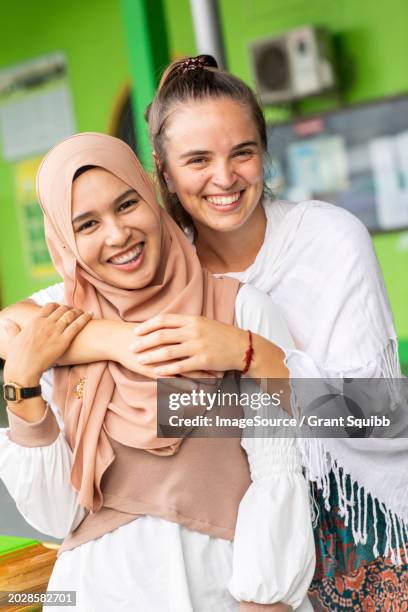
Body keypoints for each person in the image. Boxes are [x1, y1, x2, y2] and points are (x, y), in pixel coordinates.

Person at [0, 132, 315, 611]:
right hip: (98, 592)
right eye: (86, 224)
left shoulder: (239, 312)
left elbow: (277, 468)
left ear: (151, 197)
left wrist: (265, 598)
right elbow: (54, 517)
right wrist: (23, 391)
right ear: (64, 242)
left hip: (219, 591)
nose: (117, 234)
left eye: (127, 204)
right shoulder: (59, 334)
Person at [141, 55, 408, 609]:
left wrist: (252, 355)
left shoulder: (330, 239)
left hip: (369, 534)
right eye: (197, 159)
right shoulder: (166, 281)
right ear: (165, 171)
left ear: (265, 152)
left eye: (242, 151)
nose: (224, 177)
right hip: (245, 557)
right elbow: (169, 424)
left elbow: (383, 418)